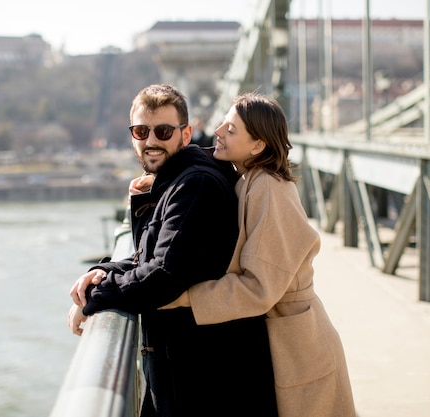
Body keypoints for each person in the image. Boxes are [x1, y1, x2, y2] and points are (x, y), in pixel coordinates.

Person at [127, 92, 357, 416]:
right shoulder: (245, 180)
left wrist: (182, 297)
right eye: (223, 123)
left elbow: (259, 288)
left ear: (257, 145)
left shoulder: (269, 188)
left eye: (231, 129)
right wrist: (156, 188)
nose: (218, 131)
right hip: (278, 340)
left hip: (297, 347)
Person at [68, 84, 278, 417]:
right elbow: (154, 256)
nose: (151, 141)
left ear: (185, 134)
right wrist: (108, 271)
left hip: (204, 381)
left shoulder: (194, 186)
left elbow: (164, 276)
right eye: (141, 131)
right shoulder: (175, 182)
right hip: (189, 369)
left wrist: (99, 296)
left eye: (164, 131)